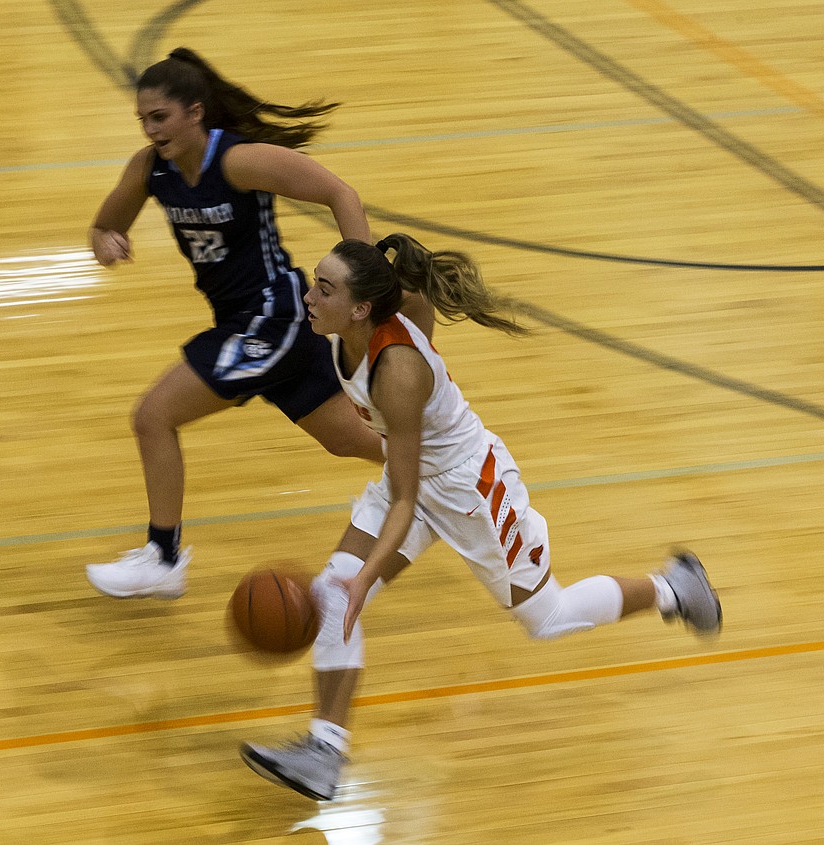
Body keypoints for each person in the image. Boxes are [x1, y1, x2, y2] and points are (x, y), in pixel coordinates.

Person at [239, 234, 723, 801]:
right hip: (413, 475)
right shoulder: (350, 327)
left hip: (470, 487)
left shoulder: (397, 370)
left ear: (361, 307)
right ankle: (325, 751)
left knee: (549, 618)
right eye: (314, 282)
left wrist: (367, 575)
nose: (310, 294)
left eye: (324, 288)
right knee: (333, 593)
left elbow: (403, 498)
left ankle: (673, 588)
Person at [83, 48, 386, 600]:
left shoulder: (237, 161)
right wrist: (107, 240)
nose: (151, 130)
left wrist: (360, 277)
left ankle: (163, 556)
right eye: (143, 121)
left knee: (153, 416)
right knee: (350, 441)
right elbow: (106, 223)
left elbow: (340, 193)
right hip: (255, 325)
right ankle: (454, 475)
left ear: (195, 113)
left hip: (274, 317)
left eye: (160, 117)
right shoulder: (150, 169)